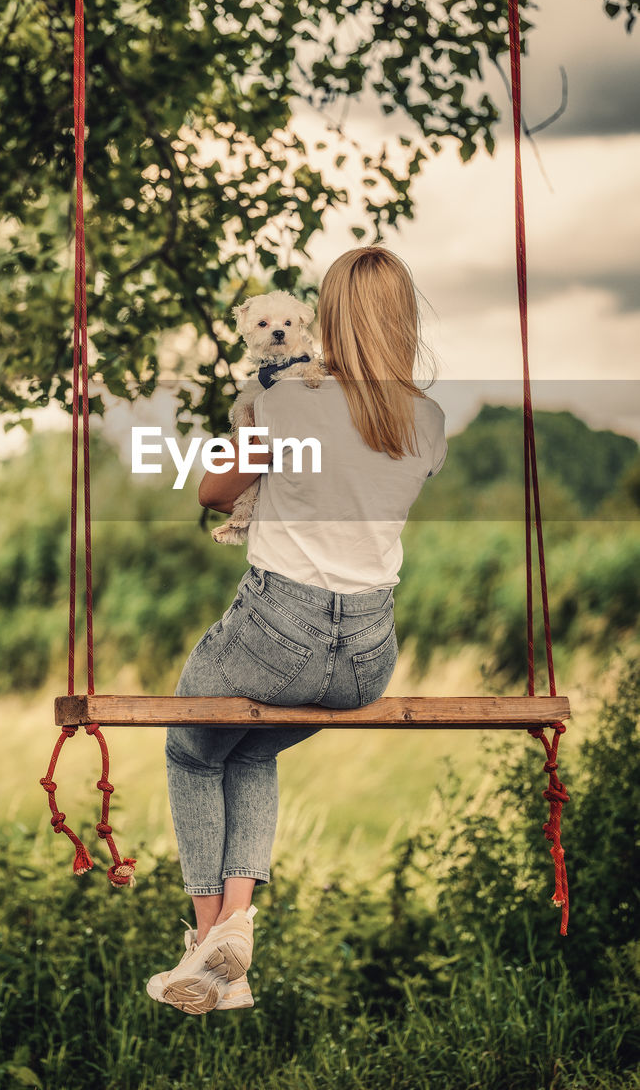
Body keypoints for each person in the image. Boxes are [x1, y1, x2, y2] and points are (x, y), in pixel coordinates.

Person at [147, 247, 447, 1015]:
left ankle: (212, 934)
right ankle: (230, 956)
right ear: (404, 320)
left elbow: (216, 493)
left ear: (327, 317)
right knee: (248, 747)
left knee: (190, 744)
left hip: (277, 632)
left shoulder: (286, 400)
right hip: (369, 655)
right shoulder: (429, 417)